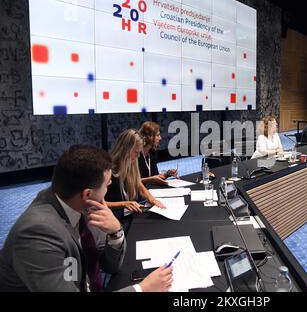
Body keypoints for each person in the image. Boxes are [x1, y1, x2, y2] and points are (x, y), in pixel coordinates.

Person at [0, 145, 173, 292]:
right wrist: (141, 289)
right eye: (107, 185)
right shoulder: (37, 234)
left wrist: (115, 233)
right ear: (88, 194)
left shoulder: (79, 205)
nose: (109, 187)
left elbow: (109, 266)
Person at [105, 129, 165, 221]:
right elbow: (96, 203)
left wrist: (152, 200)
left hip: (130, 214)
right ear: (126, 150)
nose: (138, 156)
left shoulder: (131, 165)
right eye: (136, 152)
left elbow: (139, 185)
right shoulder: (108, 170)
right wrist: (123, 204)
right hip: (114, 218)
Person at [138, 121, 177, 186]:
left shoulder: (152, 153)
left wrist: (167, 174)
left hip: (151, 190)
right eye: (157, 135)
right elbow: (131, 181)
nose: (160, 138)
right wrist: (151, 179)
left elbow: (155, 176)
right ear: (149, 137)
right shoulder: (136, 155)